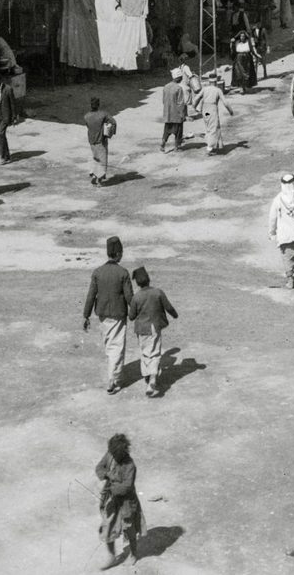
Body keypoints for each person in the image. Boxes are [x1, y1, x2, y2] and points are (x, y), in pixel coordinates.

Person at [83, 236, 133, 394]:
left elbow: (91, 296)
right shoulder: (123, 273)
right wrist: (138, 311)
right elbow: (130, 297)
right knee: (116, 347)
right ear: (118, 253)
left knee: (110, 346)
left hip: (103, 314)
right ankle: (113, 380)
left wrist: (86, 315)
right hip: (119, 314)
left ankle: (114, 376)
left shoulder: (97, 272)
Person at [95, 433, 144, 569]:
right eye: (112, 453)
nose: (114, 456)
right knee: (108, 527)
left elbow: (127, 487)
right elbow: (99, 468)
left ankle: (134, 554)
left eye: (117, 454)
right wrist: (106, 474)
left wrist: (112, 484)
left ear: (123, 452)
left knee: (129, 529)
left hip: (127, 503)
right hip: (111, 501)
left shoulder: (130, 465)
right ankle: (112, 556)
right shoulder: (110, 454)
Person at [128, 266, 178, 397]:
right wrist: (175, 315)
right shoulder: (158, 292)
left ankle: (148, 376)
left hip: (141, 329)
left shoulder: (136, 297)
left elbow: (131, 316)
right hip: (155, 327)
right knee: (155, 352)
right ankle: (153, 378)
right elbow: (169, 307)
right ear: (148, 279)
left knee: (145, 352)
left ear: (137, 283)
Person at [84, 97, 117, 187]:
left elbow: (88, 127)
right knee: (102, 160)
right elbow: (113, 122)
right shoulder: (103, 114)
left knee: (95, 158)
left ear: (91, 105)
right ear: (98, 105)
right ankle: (100, 181)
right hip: (101, 141)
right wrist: (108, 134)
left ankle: (94, 175)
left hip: (91, 141)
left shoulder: (86, 116)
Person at [200, 77, 235, 154]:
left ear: (209, 81)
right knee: (214, 127)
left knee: (209, 126)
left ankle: (218, 146)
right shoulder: (217, 90)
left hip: (205, 110)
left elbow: (197, 98)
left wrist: (196, 108)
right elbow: (225, 102)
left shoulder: (204, 89)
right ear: (216, 82)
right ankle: (209, 148)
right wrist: (230, 111)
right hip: (212, 109)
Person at [161, 69, 186, 153]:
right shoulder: (178, 88)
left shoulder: (166, 86)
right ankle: (176, 147)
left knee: (167, 130)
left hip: (167, 113)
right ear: (178, 78)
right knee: (178, 131)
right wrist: (182, 114)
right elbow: (180, 103)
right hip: (176, 114)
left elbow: (163, 100)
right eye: (181, 77)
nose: (182, 79)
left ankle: (163, 144)